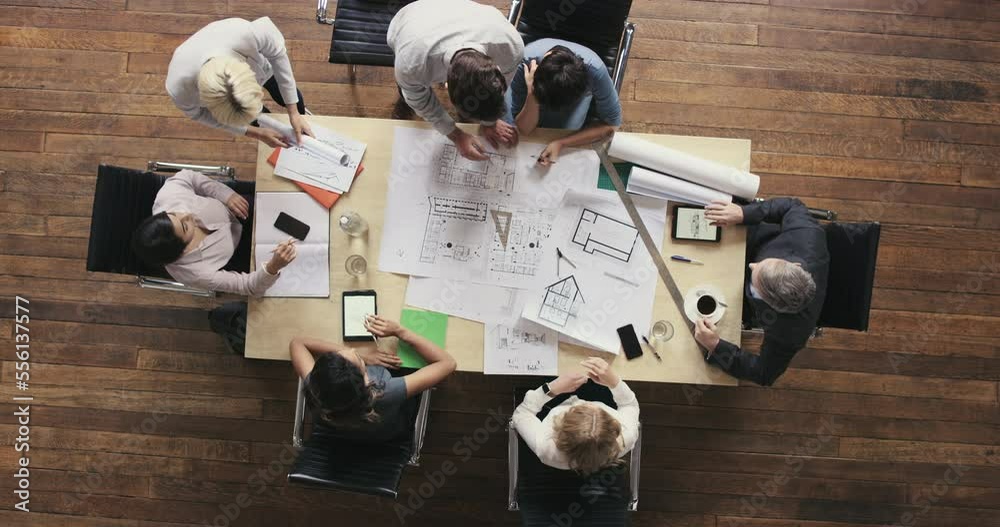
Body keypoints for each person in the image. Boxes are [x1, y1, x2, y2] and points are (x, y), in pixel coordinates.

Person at [696, 198, 830, 386]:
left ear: (768, 303)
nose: (752, 265)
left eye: (756, 279)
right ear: (794, 264)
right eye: (762, 265)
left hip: (735, 299)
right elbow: (792, 205)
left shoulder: (790, 332)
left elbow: (764, 373)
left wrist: (716, 346)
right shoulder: (808, 235)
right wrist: (745, 214)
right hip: (751, 240)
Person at [387, 0, 524, 161]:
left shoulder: (510, 47)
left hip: (465, 16)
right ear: (448, 87)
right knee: (409, 89)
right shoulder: (411, 63)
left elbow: (502, 86)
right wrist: (456, 135)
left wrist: (490, 122)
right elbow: (419, 99)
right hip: (412, 18)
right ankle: (403, 100)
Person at [290, 315, 456, 442]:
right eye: (360, 363)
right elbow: (448, 363)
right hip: (387, 435)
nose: (352, 350)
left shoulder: (319, 387)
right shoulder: (386, 391)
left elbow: (297, 343)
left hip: (343, 435)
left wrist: (364, 358)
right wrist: (400, 332)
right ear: (367, 383)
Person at [131, 170, 297, 296]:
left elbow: (188, 176)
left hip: (237, 208)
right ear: (183, 250)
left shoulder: (169, 198)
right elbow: (247, 286)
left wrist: (226, 195)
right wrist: (273, 266)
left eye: (174, 215)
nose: (188, 214)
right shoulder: (194, 273)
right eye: (185, 226)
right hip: (240, 253)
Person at [166, 17, 313, 148]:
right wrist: (256, 133)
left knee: (290, 95)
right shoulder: (180, 89)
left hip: (258, 64)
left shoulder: (247, 33)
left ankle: (301, 113)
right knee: (262, 118)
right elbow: (198, 115)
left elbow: (277, 54)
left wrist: (293, 112)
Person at [505, 39, 622, 166]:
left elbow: (612, 125)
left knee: (566, 131)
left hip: (568, 101)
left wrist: (562, 143)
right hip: (537, 87)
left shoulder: (595, 71)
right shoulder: (524, 63)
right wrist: (532, 93)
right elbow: (524, 130)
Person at [512, 358, 639, 475]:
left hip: (556, 400)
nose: (582, 402)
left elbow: (522, 413)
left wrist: (551, 389)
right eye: (594, 408)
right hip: (599, 393)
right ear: (614, 427)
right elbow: (629, 405)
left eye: (575, 409)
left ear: (560, 428)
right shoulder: (626, 436)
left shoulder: (544, 446)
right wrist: (615, 382)